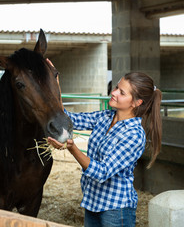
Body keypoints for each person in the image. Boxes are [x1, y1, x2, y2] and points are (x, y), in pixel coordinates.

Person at [46, 60, 162, 227]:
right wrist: (54, 85)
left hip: (116, 210)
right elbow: (69, 118)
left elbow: (103, 171)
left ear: (136, 103)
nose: (113, 93)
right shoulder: (106, 117)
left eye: (122, 93)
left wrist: (72, 148)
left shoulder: (134, 135)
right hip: (93, 201)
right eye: (116, 87)